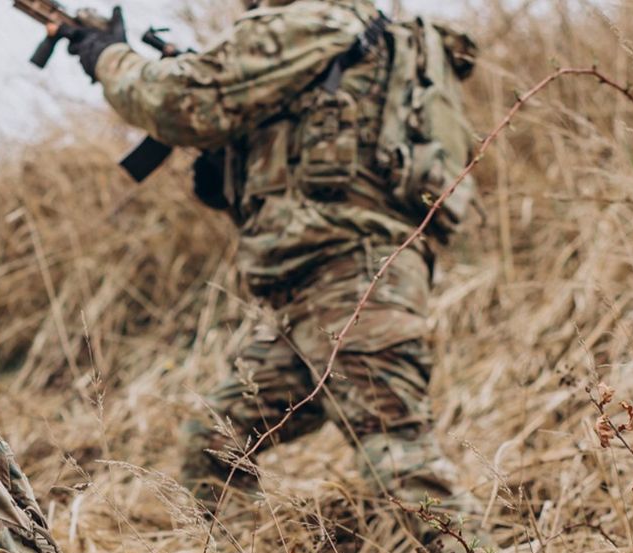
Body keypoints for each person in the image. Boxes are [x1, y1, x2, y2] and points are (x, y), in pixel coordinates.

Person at [57, 0, 477, 517]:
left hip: (353, 278)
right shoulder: (352, 36)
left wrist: (109, 57)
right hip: (310, 289)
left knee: (401, 462)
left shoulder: (316, 20)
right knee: (215, 443)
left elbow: (180, 99)